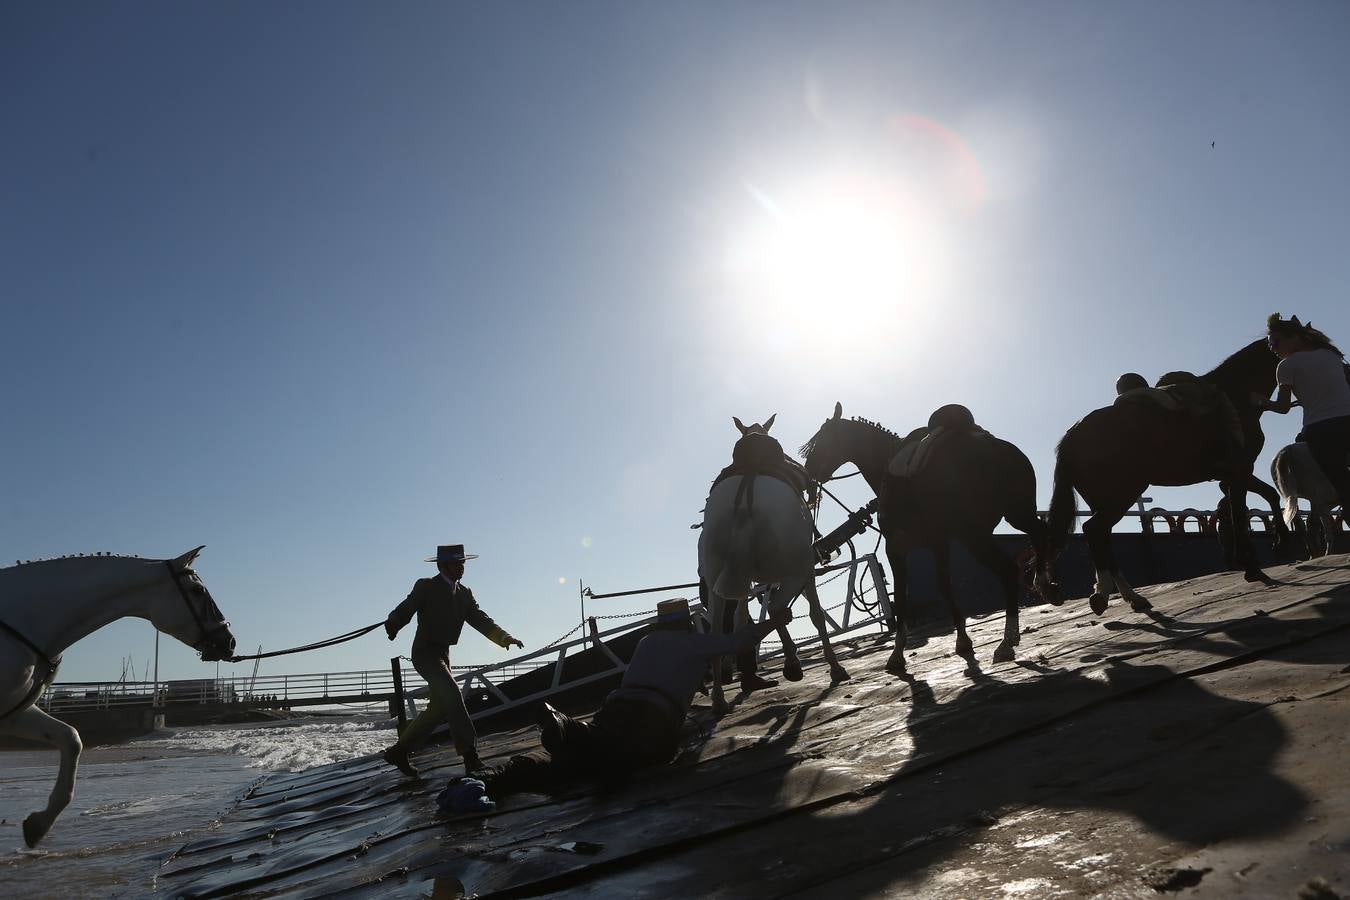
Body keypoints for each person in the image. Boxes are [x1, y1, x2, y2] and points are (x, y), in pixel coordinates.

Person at [474, 598, 793, 800]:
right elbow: (743, 639)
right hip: (654, 715)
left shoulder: (646, 641)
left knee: (581, 753)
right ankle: (571, 734)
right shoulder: (695, 643)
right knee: (624, 755)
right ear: (686, 624)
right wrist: (775, 622)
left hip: (616, 704)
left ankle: (497, 775)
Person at [382, 544, 523, 778]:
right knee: (453, 694)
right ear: (442, 566)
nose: (462, 567)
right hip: (425, 653)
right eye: (457, 563)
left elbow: (480, 619)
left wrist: (504, 637)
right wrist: (394, 623)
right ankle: (470, 757)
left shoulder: (465, 594)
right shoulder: (426, 586)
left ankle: (399, 751)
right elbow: (407, 606)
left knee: (437, 709)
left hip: (443, 655)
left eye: (463, 563)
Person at [1259, 314, 1350, 512]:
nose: (1272, 347)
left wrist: (1262, 403)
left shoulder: (1286, 366)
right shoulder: (1331, 355)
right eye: (1269, 343)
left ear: (1294, 338)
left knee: (1343, 487)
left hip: (1321, 429)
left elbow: (1282, 408)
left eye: (1274, 341)